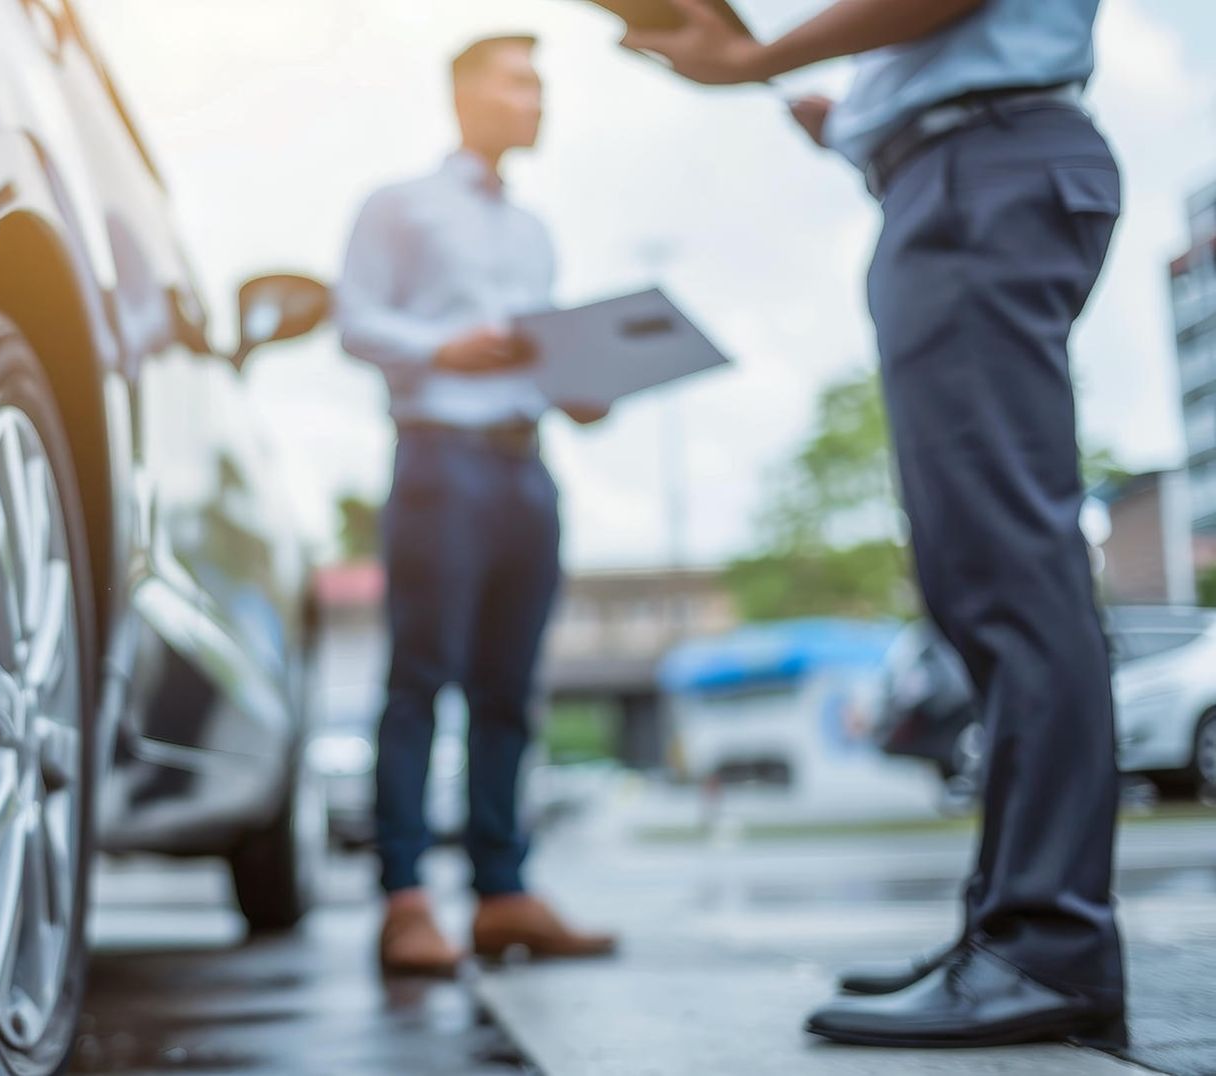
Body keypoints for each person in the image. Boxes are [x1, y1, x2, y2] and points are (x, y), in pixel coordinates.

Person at [623, 0, 1126, 1051]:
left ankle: (1044, 942)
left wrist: (754, 54)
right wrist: (853, 117)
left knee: (1007, 573)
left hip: (981, 170)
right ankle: (1011, 930)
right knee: (975, 573)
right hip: (955, 169)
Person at [336, 33, 616, 978]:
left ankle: (503, 896)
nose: (537, 99)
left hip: (524, 467)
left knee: (510, 691)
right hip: (438, 462)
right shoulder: (398, 205)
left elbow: (544, 352)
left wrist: (584, 382)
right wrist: (440, 348)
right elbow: (354, 319)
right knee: (420, 680)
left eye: (542, 82)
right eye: (520, 81)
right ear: (465, 95)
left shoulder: (535, 233)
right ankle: (406, 899)